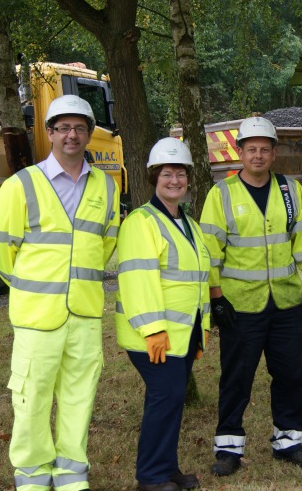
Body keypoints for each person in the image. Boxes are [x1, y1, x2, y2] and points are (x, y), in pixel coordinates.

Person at [200, 116, 302, 477]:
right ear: (239, 152)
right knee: (236, 378)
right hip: (240, 305)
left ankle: (289, 442)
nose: (257, 155)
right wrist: (216, 298)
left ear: (274, 153)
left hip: (287, 303)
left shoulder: (291, 191)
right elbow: (210, 250)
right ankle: (229, 448)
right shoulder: (221, 194)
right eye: (250, 149)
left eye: (264, 149)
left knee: (290, 374)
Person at [0, 95, 120, 490]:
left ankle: (71, 472)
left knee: (78, 397)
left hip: (85, 313)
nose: (72, 134)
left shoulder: (106, 185)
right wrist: (35, 290)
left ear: (89, 133)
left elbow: (106, 243)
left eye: (80, 127)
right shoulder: (20, 185)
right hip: (36, 316)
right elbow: (4, 252)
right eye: (63, 127)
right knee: (31, 398)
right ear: (49, 133)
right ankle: (32, 475)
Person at [115, 138, 211, 491]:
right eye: (167, 174)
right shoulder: (142, 221)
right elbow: (137, 279)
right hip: (153, 336)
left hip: (181, 336)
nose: (175, 180)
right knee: (165, 398)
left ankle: (167, 469)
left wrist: (198, 333)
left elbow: (195, 283)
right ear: (155, 178)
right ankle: (151, 478)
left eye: (181, 173)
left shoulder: (188, 223)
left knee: (171, 400)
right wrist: (153, 329)